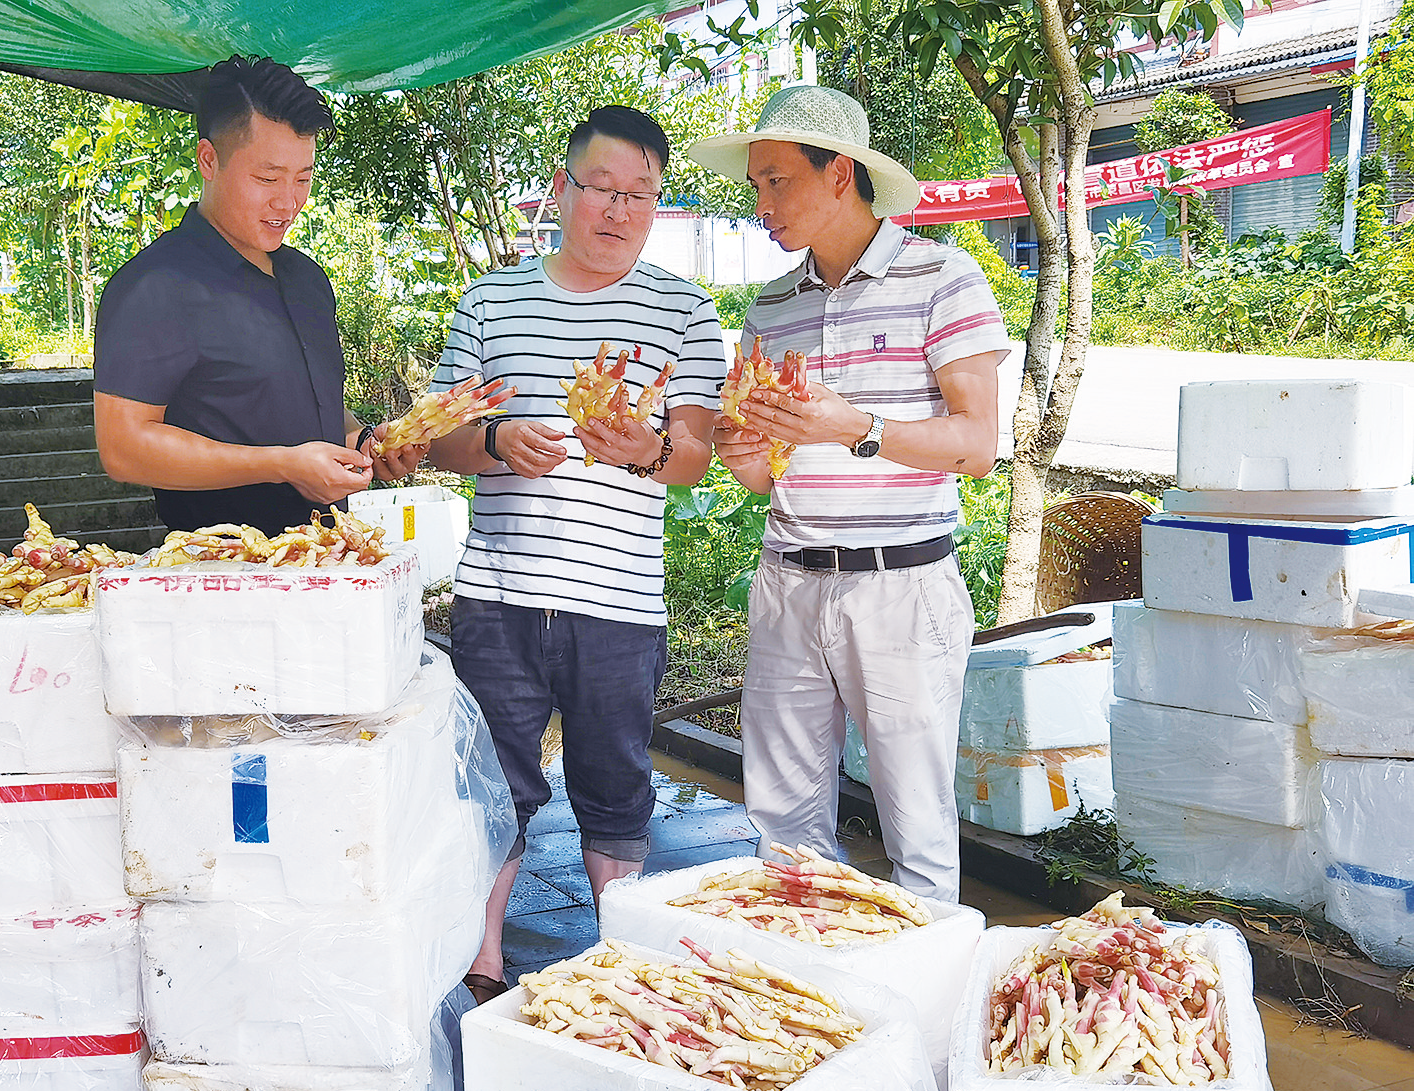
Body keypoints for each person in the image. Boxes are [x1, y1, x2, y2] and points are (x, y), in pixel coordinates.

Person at [422, 106, 728, 1004]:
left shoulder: (685, 312)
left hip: (619, 597)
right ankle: (482, 959)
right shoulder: (492, 301)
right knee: (495, 777)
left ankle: (623, 957)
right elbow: (443, 436)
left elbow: (697, 456)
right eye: (603, 188)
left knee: (615, 782)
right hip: (501, 592)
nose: (620, 210)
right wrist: (496, 438)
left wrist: (641, 445)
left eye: (642, 195)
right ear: (563, 189)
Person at [687, 87, 1009, 903]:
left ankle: (924, 1016)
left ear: (839, 175)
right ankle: (809, 1007)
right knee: (786, 831)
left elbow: (977, 445)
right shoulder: (771, 307)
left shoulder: (944, 276)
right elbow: (764, 477)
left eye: (775, 182)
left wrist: (854, 425)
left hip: (902, 585)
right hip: (790, 579)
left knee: (917, 830)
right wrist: (742, 448)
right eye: (755, 186)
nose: (760, 204)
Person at [93, 55, 423, 530]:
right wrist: (282, 464)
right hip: (219, 578)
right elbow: (124, 448)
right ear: (210, 160)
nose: (287, 202)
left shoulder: (307, 279)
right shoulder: (155, 285)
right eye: (267, 179)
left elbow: (300, 405)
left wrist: (362, 442)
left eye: (303, 179)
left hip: (328, 566)